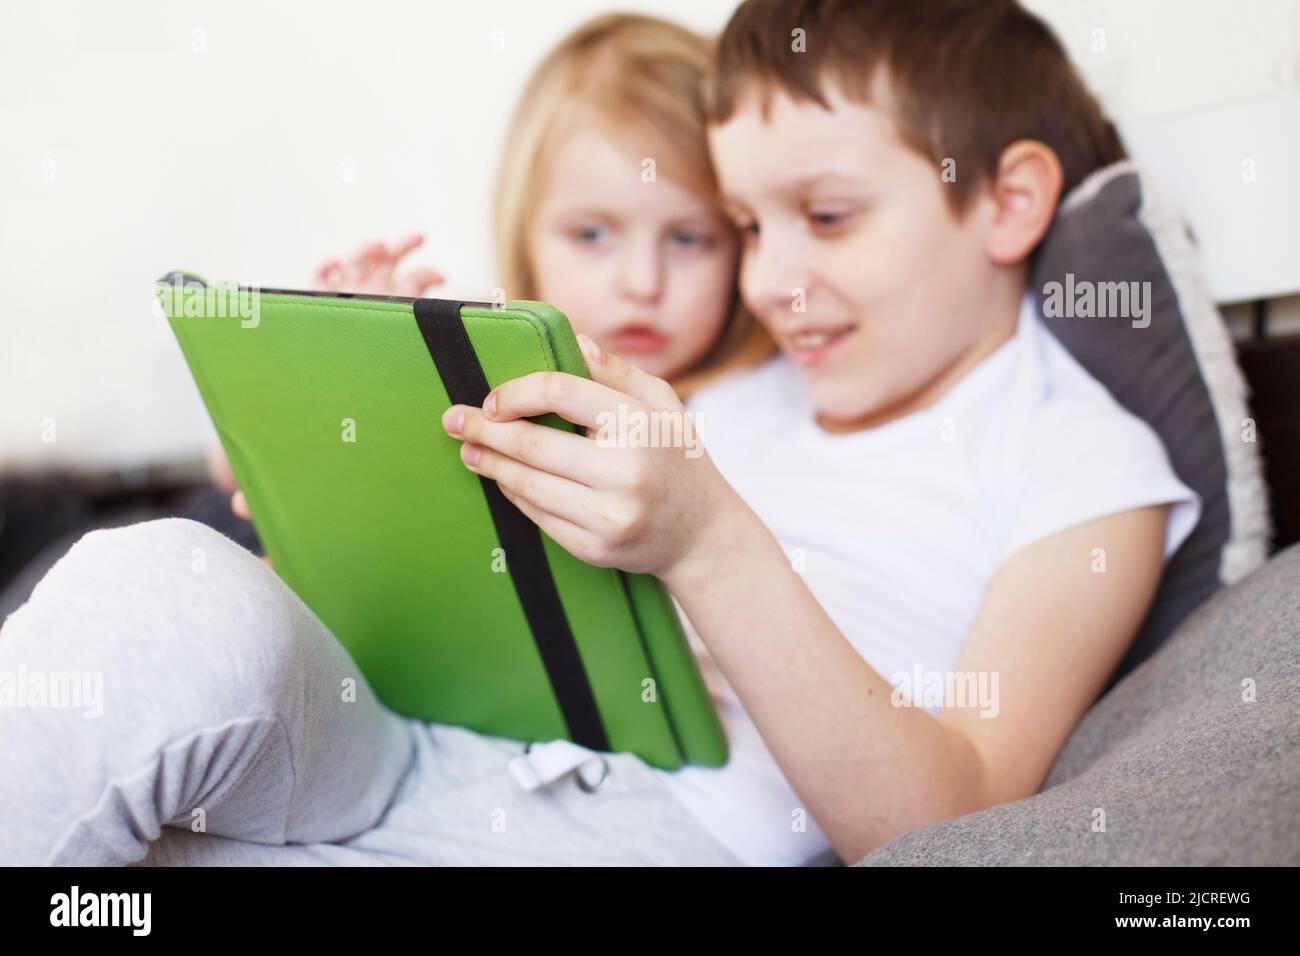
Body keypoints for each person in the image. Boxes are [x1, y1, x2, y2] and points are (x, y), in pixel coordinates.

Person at [0, 0, 1199, 867]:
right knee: (159, 583)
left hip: (641, 829)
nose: (772, 280)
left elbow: (955, 826)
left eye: (823, 216)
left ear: (1009, 200)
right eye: (746, 226)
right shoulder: (721, 386)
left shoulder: (1085, 466)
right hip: (411, 745)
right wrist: (338, 446)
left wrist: (711, 542)